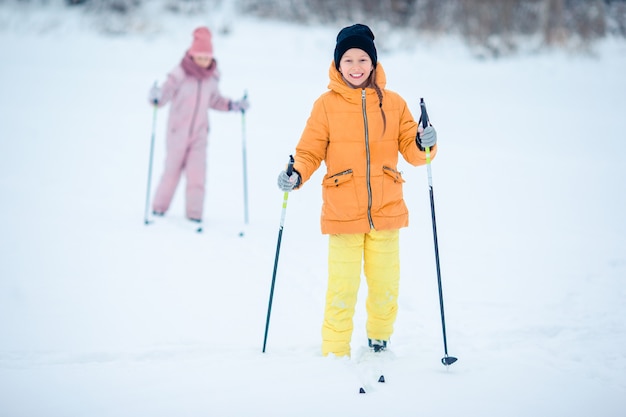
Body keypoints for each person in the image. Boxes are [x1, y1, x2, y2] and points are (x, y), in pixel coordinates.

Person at [276, 24, 438, 358]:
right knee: (342, 287)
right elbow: (309, 151)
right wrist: (297, 174)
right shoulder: (325, 105)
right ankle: (335, 350)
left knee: (385, 285)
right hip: (342, 210)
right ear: (337, 65)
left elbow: (412, 148)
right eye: (348, 59)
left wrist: (426, 143)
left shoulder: (394, 104)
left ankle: (380, 337)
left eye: (362, 58)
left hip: (387, 209)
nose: (355, 66)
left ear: (373, 63)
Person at [148, 26, 249, 227]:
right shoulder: (179, 75)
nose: (204, 61)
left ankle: (194, 214)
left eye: (207, 57)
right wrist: (156, 96)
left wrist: (233, 105)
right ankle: (159, 208)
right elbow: (163, 96)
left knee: (197, 175)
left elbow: (215, 100)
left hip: (200, 135)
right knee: (171, 172)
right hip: (177, 132)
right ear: (192, 55)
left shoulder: (211, 78)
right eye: (200, 56)